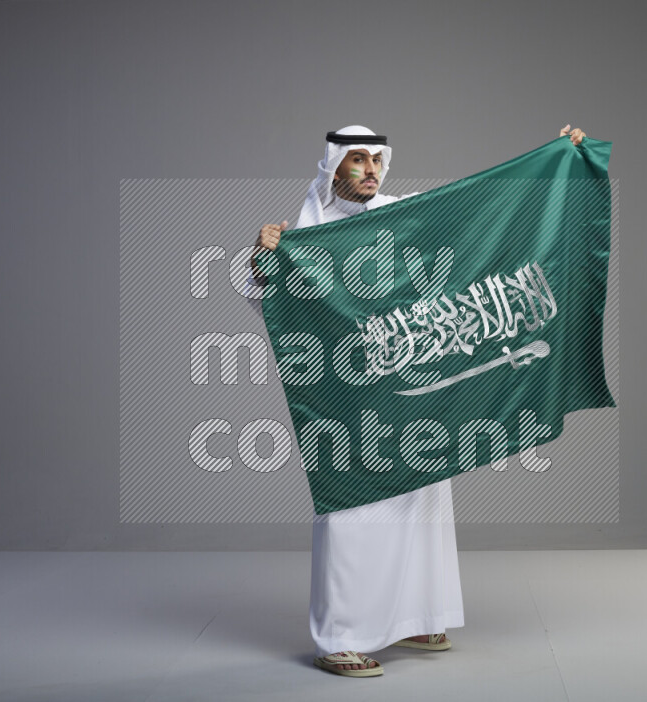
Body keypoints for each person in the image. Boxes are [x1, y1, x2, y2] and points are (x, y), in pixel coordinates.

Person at [244, 123, 587, 677]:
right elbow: (279, 312)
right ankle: (340, 637)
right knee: (355, 513)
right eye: (357, 161)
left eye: (377, 161)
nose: (370, 171)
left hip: (415, 387)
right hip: (351, 400)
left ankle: (419, 618)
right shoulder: (307, 233)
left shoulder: (404, 214)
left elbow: (482, 213)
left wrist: (554, 161)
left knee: (422, 505)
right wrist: (264, 260)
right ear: (332, 168)